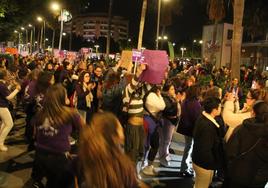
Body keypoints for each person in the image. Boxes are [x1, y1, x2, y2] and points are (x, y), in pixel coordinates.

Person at [32, 84, 83, 187]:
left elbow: (35, 134)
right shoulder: (71, 113)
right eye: (65, 95)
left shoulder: (40, 113)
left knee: (52, 182)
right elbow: (85, 130)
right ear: (61, 98)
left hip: (40, 156)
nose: (68, 97)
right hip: (59, 159)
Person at [79, 112, 144, 188]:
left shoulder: (83, 158)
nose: (122, 128)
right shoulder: (123, 165)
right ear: (114, 136)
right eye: (119, 127)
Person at [224, 101, 268, 188]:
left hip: (236, 174)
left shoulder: (241, 129)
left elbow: (229, 151)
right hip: (257, 179)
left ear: (253, 113)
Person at [192, 97, 223, 188]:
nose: (221, 109)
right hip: (204, 164)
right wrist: (212, 164)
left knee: (198, 184)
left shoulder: (202, 118)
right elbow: (205, 149)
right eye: (220, 107)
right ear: (214, 110)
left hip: (197, 159)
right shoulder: (209, 126)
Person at [177, 85, 202, 177]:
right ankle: (184, 168)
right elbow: (196, 118)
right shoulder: (195, 104)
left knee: (188, 147)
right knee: (188, 148)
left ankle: (185, 167)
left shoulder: (186, 101)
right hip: (190, 129)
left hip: (185, 127)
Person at [0, 68, 21, 151]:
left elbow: (5, 92)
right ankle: (1, 144)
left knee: (4, 123)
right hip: (2, 107)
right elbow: (9, 97)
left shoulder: (1, 84)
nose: (9, 76)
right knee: (9, 124)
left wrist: (11, 86)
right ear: (4, 76)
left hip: (2, 106)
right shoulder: (1, 85)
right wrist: (17, 90)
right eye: (7, 74)